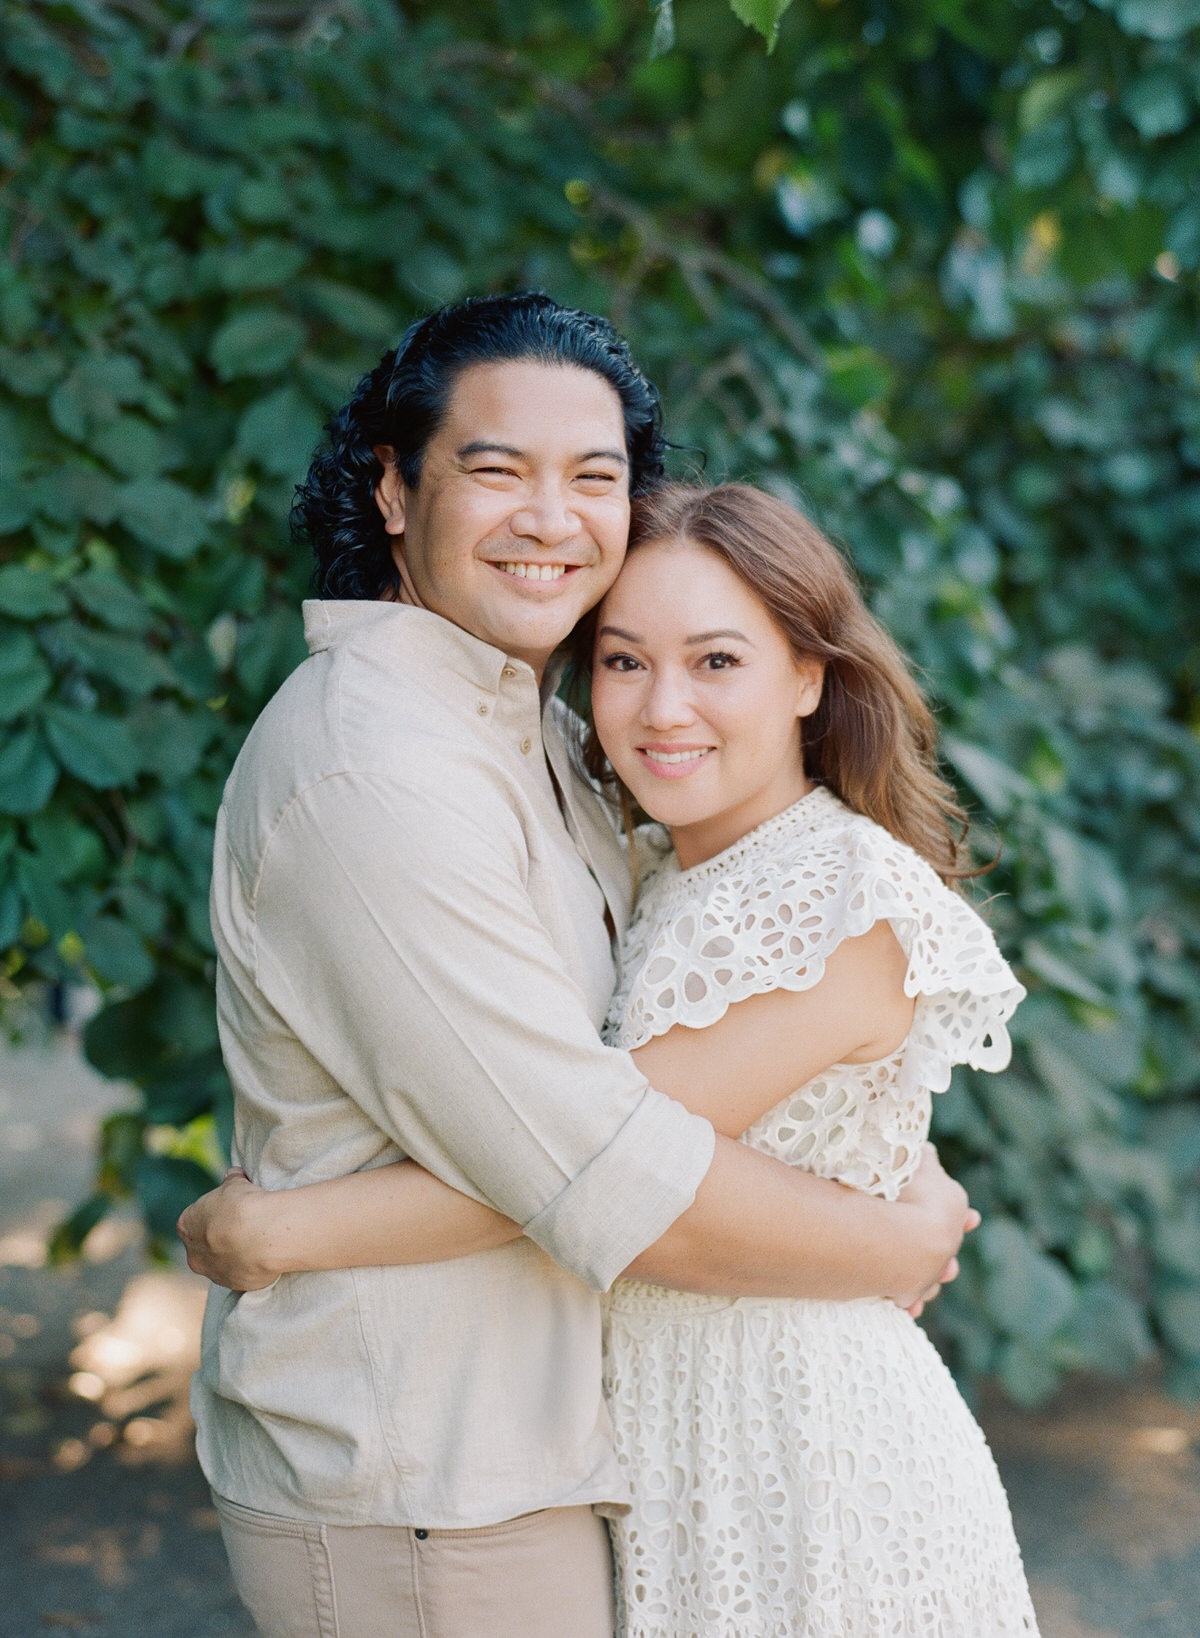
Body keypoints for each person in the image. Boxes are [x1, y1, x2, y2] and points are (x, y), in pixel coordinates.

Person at [181, 294, 975, 1638]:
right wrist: (894, 1238)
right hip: (427, 1471)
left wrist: (903, 1170)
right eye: (496, 467)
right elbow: (590, 1158)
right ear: (391, 487)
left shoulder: (536, 740)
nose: (550, 516)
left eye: (593, 476)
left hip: (566, 1456)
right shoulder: (380, 767)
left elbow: (660, 1092)